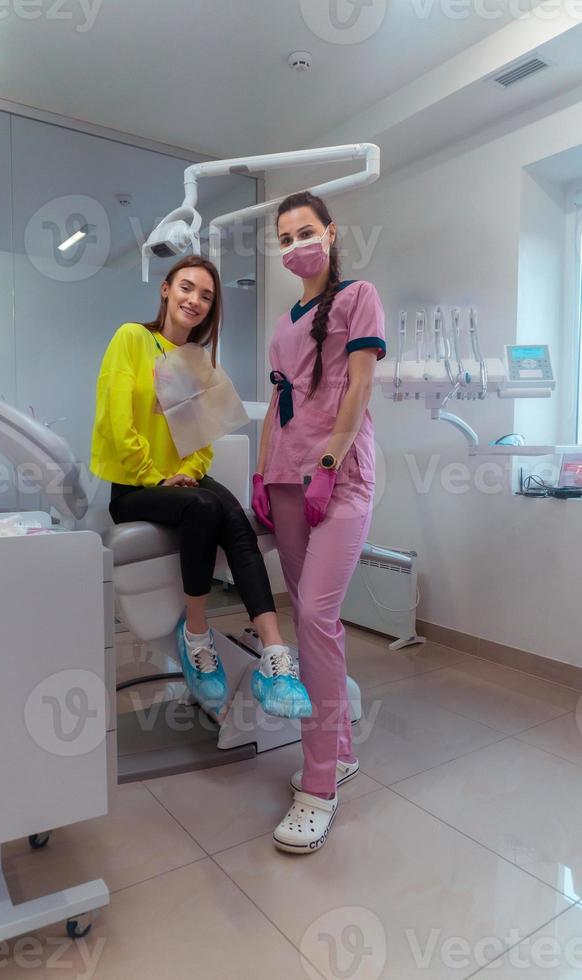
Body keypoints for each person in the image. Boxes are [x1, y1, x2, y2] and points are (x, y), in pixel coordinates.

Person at [90, 255, 311, 719]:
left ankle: (275, 655)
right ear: (166, 289)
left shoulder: (199, 362)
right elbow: (115, 421)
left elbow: (202, 439)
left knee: (234, 519)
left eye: (206, 296)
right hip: (136, 486)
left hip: (182, 480)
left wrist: (189, 470)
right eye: (187, 288)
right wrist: (157, 475)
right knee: (202, 508)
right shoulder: (131, 339)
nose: (195, 300)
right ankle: (195, 635)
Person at [252, 192, 386, 852]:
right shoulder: (282, 324)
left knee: (315, 617)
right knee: (310, 618)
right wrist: (260, 470)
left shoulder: (358, 296)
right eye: (286, 236)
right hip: (284, 480)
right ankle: (341, 748)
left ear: (330, 234)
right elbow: (276, 405)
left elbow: (358, 385)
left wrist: (330, 458)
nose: (296, 243)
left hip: (339, 480)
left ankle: (319, 784)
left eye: (306, 231)